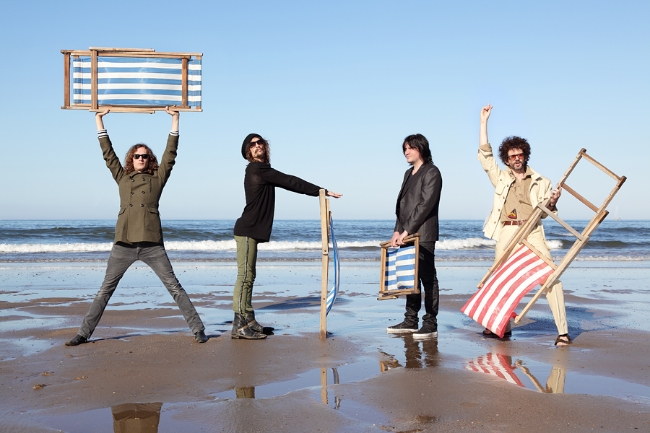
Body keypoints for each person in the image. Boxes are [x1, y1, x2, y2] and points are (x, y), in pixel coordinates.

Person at [65, 107, 208, 346]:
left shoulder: (158, 178)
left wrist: (175, 119)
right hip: (124, 244)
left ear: (149, 160)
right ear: (131, 159)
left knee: (174, 287)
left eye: (144, 156)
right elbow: (107, 154)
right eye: (136, 156)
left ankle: (198, 329)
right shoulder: (122, 177)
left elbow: (170, 154)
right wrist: (99, 120)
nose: (140, 159)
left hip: (152, 244)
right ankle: (83, 334)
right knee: (104, 291)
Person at [231, 134, 342, 340]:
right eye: (252, 145)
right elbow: (290, 181)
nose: (257, 146)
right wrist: (320, 191)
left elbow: (287, 181)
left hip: (251, 231)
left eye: (259, 142)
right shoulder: (257, 169)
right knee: (245, 277)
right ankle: (239, 324)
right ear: (248, 152)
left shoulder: (263, 170)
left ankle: (249, 320)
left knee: (249, 276)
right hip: (247, 231)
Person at [478, 104, 571, 346]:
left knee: (550, 278)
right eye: (511, 156)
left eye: (520, 155)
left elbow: (546, 213)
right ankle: (501, 327)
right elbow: (485, 155)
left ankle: (563, 332)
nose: (516, 159)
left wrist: (552, 202)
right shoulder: (500, 177)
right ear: (506, 160)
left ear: (525, 156)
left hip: (532, 231)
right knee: (501, 279)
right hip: (507, 230)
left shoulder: (543, 181)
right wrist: (483, 122)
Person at [386, 134, 443, 339]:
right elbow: (402, 205)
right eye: (405, 149)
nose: (406, 152)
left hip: (424, 233)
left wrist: (407, 230)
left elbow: (425, 205)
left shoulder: (432, 172)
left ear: (421, 149)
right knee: (410, 277)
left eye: (410, 148)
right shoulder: (408, 173)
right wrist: (397, 230)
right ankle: (410, 320)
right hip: (406, 234)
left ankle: (431, 323)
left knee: (427, 277)